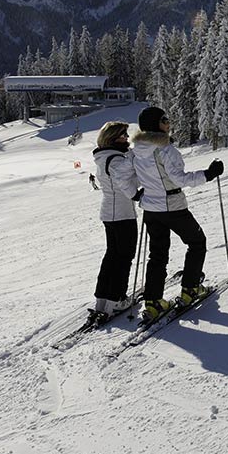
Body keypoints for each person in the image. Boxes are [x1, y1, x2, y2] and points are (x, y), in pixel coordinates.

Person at [130, 106, 223, 323]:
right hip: (172, 206)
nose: (169, 123)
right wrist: (208, 174)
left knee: (158, 253)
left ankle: (153, 303)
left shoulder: (135, 151)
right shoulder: (165, 149)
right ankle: (190, 289)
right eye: (165, 119)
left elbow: (130, 178)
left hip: (151, 209)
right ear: (155, 124)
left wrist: (137, 195)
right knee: (197, 242)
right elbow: (180, 180)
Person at [88, 120, 143, 326]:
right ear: (112, 138)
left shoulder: (106, 157)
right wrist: (138, 195)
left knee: (112, 256)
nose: (127, 139)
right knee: (124, 256)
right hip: (122, 214)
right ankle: (117, 298)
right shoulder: (116, 160)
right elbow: (125, 182)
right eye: (123, 136)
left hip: (110, 212)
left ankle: (102, 298)